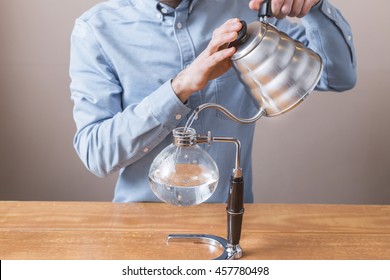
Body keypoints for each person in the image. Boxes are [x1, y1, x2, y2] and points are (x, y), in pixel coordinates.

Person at [69, 0, 356, 203]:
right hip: (138, 225)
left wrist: (315, 7)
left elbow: (336, 75)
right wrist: (180, 87)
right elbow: (97, 155)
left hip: (233, 223)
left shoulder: (248, 8)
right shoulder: (96, 30)